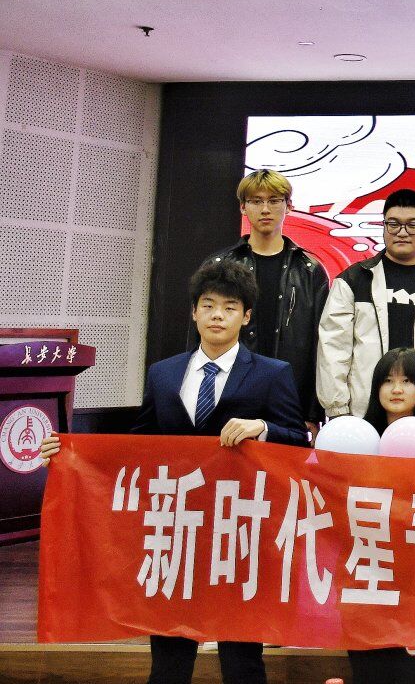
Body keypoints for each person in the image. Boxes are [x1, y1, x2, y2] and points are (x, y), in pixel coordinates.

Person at [39, 260, 307, 684]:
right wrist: (72, 455)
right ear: (194, 312)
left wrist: (263, 427)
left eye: (230, 308)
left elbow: (300, 445)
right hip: (175, 530)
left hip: (239, 533)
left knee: (242, 660)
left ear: (246, 316)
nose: (218, 315)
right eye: (209, 305)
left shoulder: (274, 374)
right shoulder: (163, 373)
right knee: (168, 658)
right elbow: (139, 446)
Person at [201, 168, 330, 432]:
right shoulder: (219, 266)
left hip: (288, 399)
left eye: (274, 200)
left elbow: (321, 346)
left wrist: (312, 413)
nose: (265, 209)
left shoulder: (309, 270)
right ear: (243, 207)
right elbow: (200, 337)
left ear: (289, 206)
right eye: (256, 201)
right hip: (229, 395)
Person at [352, 347, 415, 684]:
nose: (396, 389)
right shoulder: (357, 438)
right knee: (369, 667)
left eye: (407, 381)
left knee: (414, 671)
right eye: (388, 381)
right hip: (366, 567)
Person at [317, 188, 415, 419]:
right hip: (363, 413)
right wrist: (338, 411)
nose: (402, 232)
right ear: (383, 226)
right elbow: (333, 349)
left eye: (412, 225)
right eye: (393, 224)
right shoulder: (353, 280)